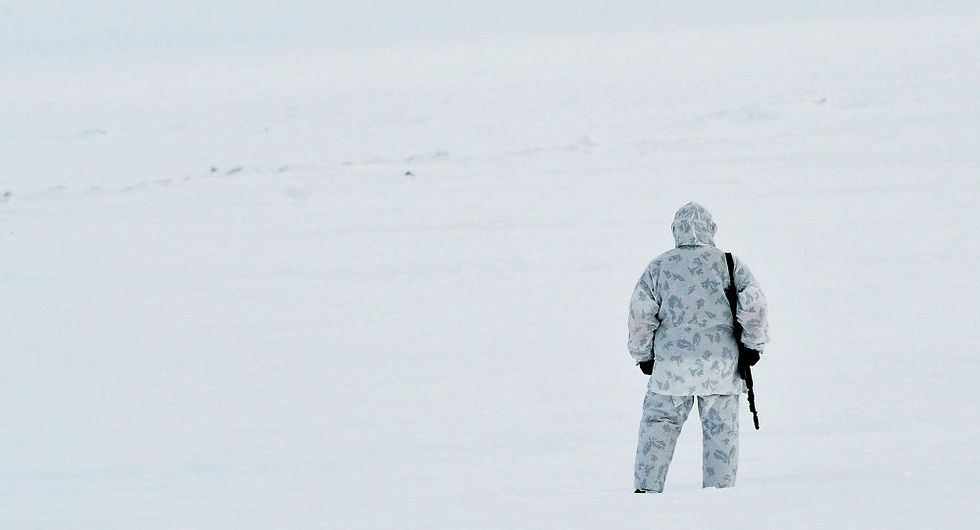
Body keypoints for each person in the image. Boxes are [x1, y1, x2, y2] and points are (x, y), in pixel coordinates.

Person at [628, 202, 769, 493]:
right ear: (711, 229)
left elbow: (641, 316)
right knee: (721, 434)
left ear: (674, 231)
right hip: (720, 367)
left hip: (670, 368)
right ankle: (719, 495)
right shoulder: (729, 263)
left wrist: (643, 355)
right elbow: (754, 305)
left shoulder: (658, 266)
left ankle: (646, 490)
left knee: (658, 427)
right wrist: (753, 346)